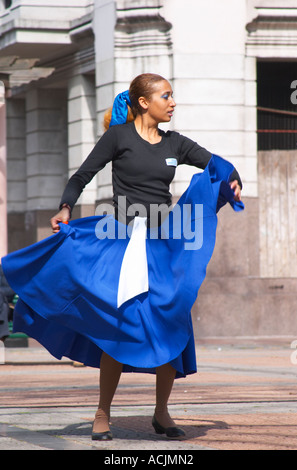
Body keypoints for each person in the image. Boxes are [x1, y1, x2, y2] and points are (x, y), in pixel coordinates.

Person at [2, 73, 243, 441]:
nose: (173, 102)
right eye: (166, 96)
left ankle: (161, 413)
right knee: (120, 325)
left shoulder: (175, 143)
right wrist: (66, 207)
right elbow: (82, 175)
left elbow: (216, 165)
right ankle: (103, 412)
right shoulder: (119, 137)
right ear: (144, 102)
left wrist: (233, 178)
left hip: (163, 245)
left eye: (173, 96)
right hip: (122, 240)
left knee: (169, 323)